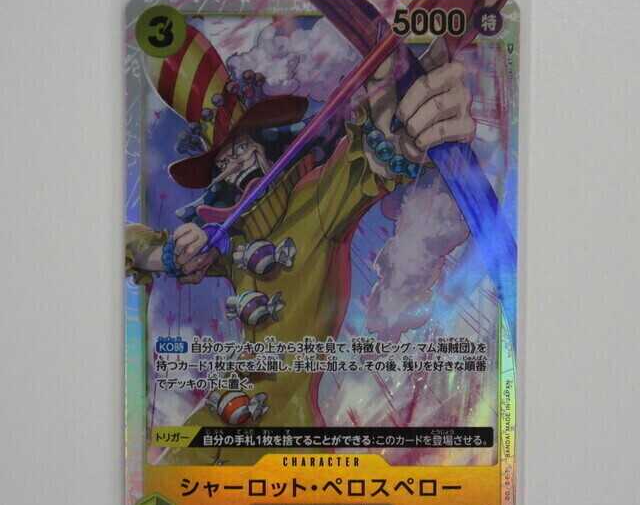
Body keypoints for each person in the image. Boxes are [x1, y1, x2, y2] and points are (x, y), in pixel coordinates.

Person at [127, 49, 476, 466]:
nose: (235, 165)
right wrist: (172, 255)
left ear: (265, 146)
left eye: (241, 149)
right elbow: (132, 244)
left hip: (288, 429)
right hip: (222, 413)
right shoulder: (229, 242)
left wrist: (396, 129)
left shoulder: (314, 201)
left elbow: (365, 163)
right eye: (223, 163)